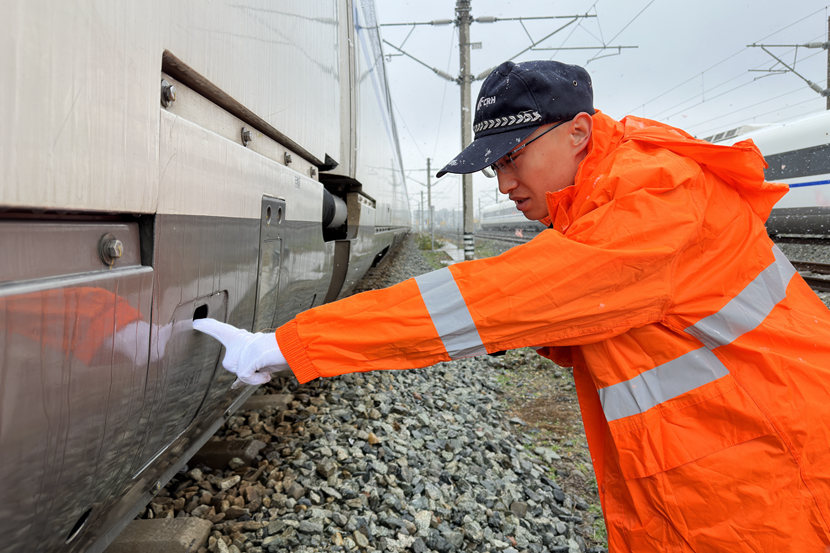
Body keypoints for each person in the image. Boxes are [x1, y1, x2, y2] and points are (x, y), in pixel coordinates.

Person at [194, 60, 830, 552]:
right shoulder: (613, 197)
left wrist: (289, 344)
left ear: (578, 133)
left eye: (513, 157)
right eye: (493, 166)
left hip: (773, 479)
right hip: (724, 464)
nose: (503, 184)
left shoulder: (654, 201)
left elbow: (488, 300)